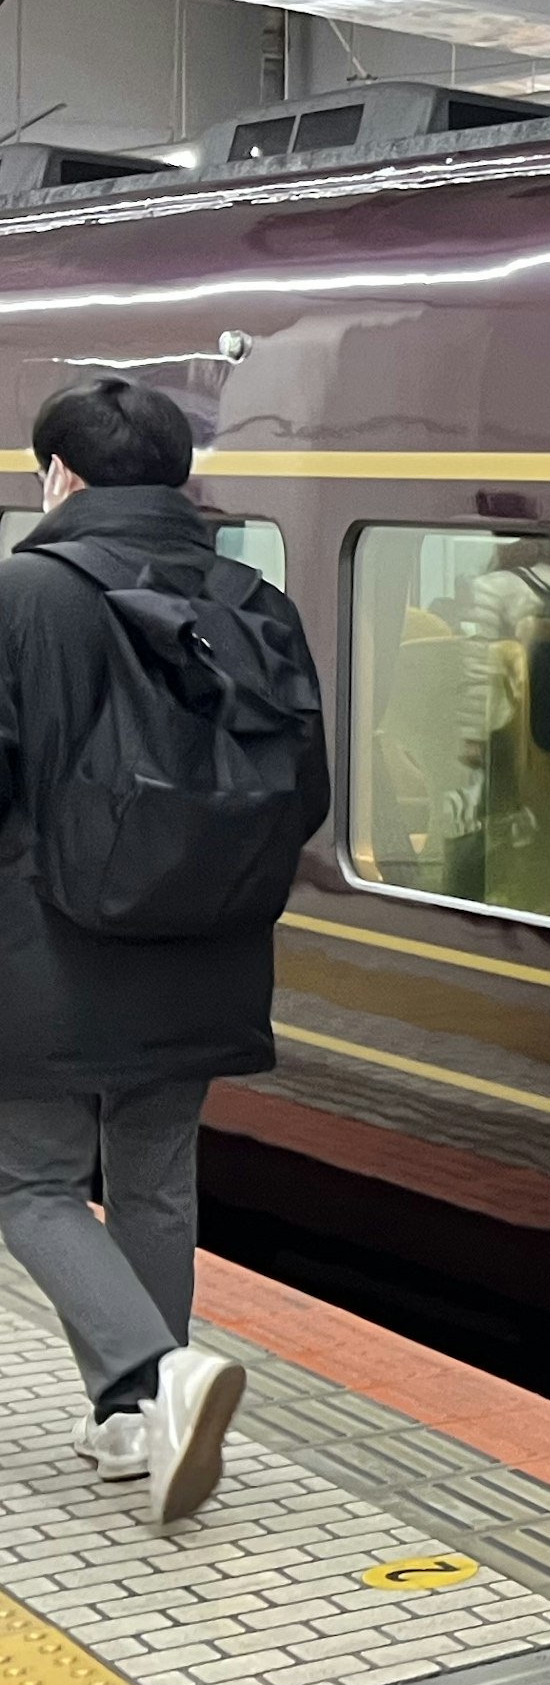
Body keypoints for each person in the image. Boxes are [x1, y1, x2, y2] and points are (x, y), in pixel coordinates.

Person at [0, 377, 331, 1523]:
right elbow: (309, 796)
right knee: (154, 1180)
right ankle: (133, 1428)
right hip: (206, 948)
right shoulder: (256, 601)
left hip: (48, 946)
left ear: (60, 477)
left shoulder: (22, 596)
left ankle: (160, 1374)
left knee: (32, 1181)